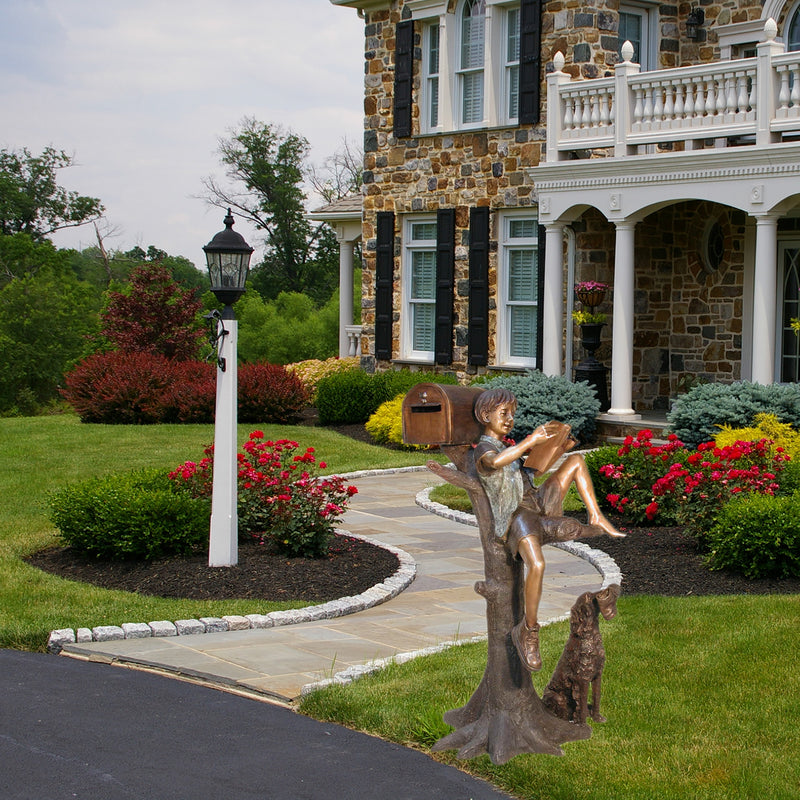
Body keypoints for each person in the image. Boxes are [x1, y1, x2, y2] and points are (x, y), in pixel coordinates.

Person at [473, 388, 625, 672]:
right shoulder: (485, 450)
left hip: (537, 503)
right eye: (503, 414)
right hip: (519, 515)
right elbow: (494, 463)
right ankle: (529, 631)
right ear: (485, 415)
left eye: (512, 414)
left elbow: (530, 474)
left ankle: (596, 516)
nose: (509, 419)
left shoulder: (508, 449)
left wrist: (555, 449)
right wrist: (530, 441)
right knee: (538, 565)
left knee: (576, 461)